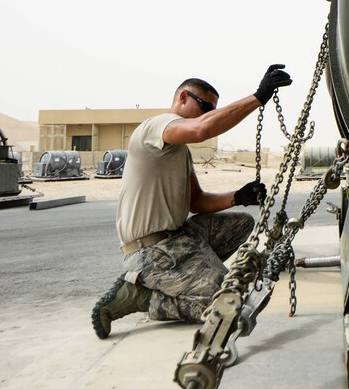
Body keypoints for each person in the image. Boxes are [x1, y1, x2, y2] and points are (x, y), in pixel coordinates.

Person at [91, 64, 292, 339]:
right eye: (205, 107)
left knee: (241, 224)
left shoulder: (179, 151)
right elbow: (199, 130)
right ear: (183, 98)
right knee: (227, 300)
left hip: (177, 238)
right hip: (151, 251)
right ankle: (143, 297)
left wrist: (238, 197)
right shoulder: (158, 125)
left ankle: (188, 275)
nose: (209, 115)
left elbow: (196, 201)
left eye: (213, 109)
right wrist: (258, 97)